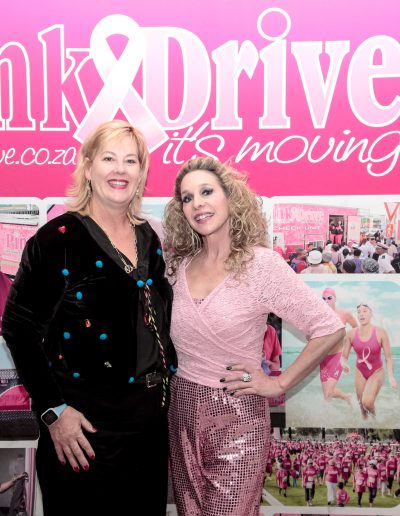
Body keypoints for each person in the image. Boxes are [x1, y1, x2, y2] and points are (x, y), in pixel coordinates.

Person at [2, 120, 176, 516]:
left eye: (131, 160)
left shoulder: (148, 237)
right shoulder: (56, 239)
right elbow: (18, 327)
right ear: (88, 166)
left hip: (147, 428)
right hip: (81, 432)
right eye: (109, 158)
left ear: (142, 172)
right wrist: (54, 412)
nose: (120, 170)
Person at [163, 156, 345, 516]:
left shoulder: (261, 265)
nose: (197, 203)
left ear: (230, 197)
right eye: (187, 197)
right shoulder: (176, 267)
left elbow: (329, 328)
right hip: (181, 412)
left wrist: (279, 383)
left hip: (238, 416)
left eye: (206, 191)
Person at [342, 304, 397, 420]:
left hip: (377, 371)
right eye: (359, 312)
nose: (361, 314)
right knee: (362, 409)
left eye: (365, 311)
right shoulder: (351, 334)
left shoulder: (381, 332)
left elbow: (388, 357)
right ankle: (367, 427)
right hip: (360, 372)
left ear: (371, 314)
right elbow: (344, 356)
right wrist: (345, 364)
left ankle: (375, 421)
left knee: (367, 402)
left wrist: (391, 376)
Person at [319, 288, 357, 404]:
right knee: (327, 394)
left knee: (328, 394)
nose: (326, 301)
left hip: (338, 357)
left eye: (329, 298)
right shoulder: (320, 316)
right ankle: (346, 397)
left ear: (335, 299)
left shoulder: (344, 314)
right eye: (323, 299)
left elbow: (356, 328)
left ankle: (330, 413)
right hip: (323, 358)